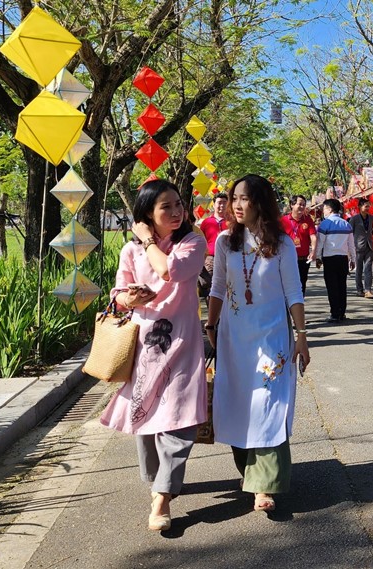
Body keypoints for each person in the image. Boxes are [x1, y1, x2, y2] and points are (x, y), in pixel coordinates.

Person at [99, 179, 208, 532]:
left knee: (181, 419)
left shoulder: (193, 242)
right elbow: (117, 294)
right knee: (145, 420)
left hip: (183, 344)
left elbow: (169, 271)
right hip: (145, 346)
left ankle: (162, 496)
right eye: (167, 207)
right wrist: (131, 299)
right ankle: (159, 479)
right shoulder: (129, 252)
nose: (177, 212)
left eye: (179, 204)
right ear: (148, 213)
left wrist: (147, 240)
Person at [205, 174, 310, 513]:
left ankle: (263, 485)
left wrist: (302, 336)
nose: (236, 204)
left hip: (272, 340)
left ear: (261, 202)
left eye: (244, 198)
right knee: (238, 404)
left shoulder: (282, 244)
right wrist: (210, 324)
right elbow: (218, 288)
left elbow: (294, 293)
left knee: (267, 405)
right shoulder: (224, 242)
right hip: (234, 340)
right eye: (234, 197)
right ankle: (249, 473)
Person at [315, 198, 355, 322]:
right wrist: (353, 259)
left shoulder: (325, 224)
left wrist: (317, 257)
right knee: (342, 286)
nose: (323, 211)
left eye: (325, 209)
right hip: (343, 259)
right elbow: (351, 244)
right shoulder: (346, 224)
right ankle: (342, 312)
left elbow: (320, 243)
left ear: (330, 209)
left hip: (329, 259)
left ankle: (334, 313)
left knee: (332, 286)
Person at [281, 195, 317, 295]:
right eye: (299, 204)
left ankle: (299, 306)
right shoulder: (283, 221)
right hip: (288, 259)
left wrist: (314, 251)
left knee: (302, 283)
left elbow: (313, 236)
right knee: (287, 283)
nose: (302, 207)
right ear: (292, 205)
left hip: (303, 259)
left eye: (303, 205)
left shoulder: (308, 220)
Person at [198, 192, 228, 301]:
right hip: (211, 258)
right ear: (214, 204)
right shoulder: (206, 222)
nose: (222, 206)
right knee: (211, 286)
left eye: (225, 203)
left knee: (228, 285)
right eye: (219, 203)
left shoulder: (232, 222)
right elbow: (201, 241)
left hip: (228, 257)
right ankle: (213, 315)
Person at [349, 197, 373, 298]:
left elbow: (370, 231)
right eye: (365, 206)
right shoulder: (354, 219)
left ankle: (368, 290)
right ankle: (359, 290)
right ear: (360, 206)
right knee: (359, 269)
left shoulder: (372, 218)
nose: (368, 207)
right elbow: (349, 233)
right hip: (358, 247)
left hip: (369, 246)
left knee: (368, 268)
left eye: (369, 205)